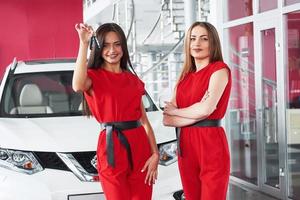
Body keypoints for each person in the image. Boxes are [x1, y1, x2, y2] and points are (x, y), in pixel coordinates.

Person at [72, 22, 159, 200]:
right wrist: (83, 43)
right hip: (111, 147)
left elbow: (144, 122)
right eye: (106, 45)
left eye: (117, 44)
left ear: (123, 47)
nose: (112, 50)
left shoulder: (133, 80)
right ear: (98, 48)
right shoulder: (93, 77)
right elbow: (77, 85)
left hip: (140, 147)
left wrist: (155, 154)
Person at [163, 21, 231, 200]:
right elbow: (167, 119)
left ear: (213, 43)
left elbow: (206, 109)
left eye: (204, 39)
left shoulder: (219, 70)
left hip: (211, 142)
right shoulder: (184, 77)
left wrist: (178, 111)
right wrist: (197, 111)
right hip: (186, 145)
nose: (197, 43)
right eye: (193, 38)